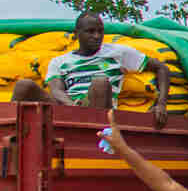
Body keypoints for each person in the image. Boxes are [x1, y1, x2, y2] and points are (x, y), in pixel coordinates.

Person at [10, 11, 171, 126]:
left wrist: (161, 103)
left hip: (98, 109)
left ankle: (92, 136)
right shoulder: (60, 61)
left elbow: (161, 68)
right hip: (66, 107)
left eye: (100, 31)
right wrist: (72, 106)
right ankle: (8, 139)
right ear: (77, 33)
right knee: (24, 85)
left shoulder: (118, 52)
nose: (96, 36)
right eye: (90, 31)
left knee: (100, 82)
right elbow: (56, 90)